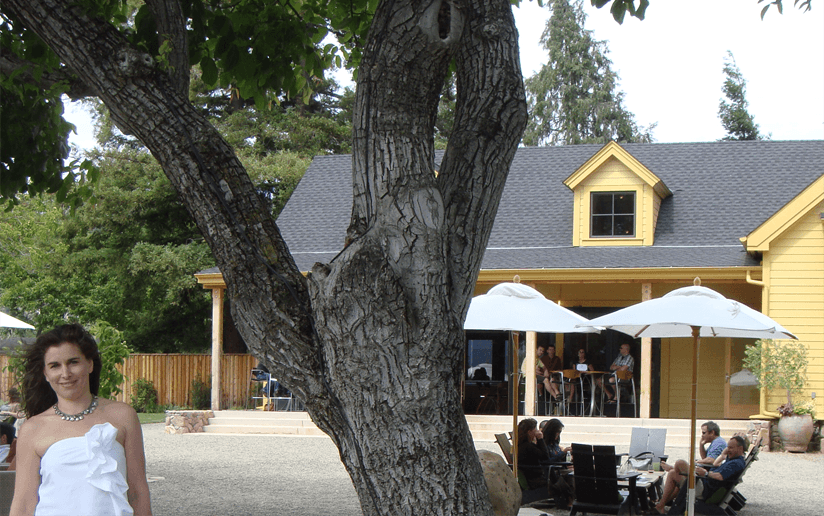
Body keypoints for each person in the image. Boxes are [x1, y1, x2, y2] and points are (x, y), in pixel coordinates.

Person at [10, 323, 152, 516]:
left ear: (90, 364)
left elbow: (138, 491)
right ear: (45, 373)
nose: (65, 373)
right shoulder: (32, 428)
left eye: (73, 362)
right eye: (55, 366)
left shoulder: (123, 416)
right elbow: (24, 502)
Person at [653, 421, 728, 514]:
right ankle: (660, 505)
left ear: (712, 432)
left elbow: (711, 460)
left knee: (679, 463)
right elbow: (705, 458)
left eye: (704, 432)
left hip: (704, 482)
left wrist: (696, 462)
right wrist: (701, 445)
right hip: (703, 480)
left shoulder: (718, 442)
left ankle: (661, 503)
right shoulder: (716, 442)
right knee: (674, 474)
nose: (702, 435)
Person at [516, 418, 549, 490]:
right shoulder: (527, 446)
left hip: (530, 475)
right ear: (529, 431)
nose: (537, 431)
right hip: (534, 478)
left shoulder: (523, 444)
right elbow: (545, 456)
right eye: (535, 429)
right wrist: (540, 439)